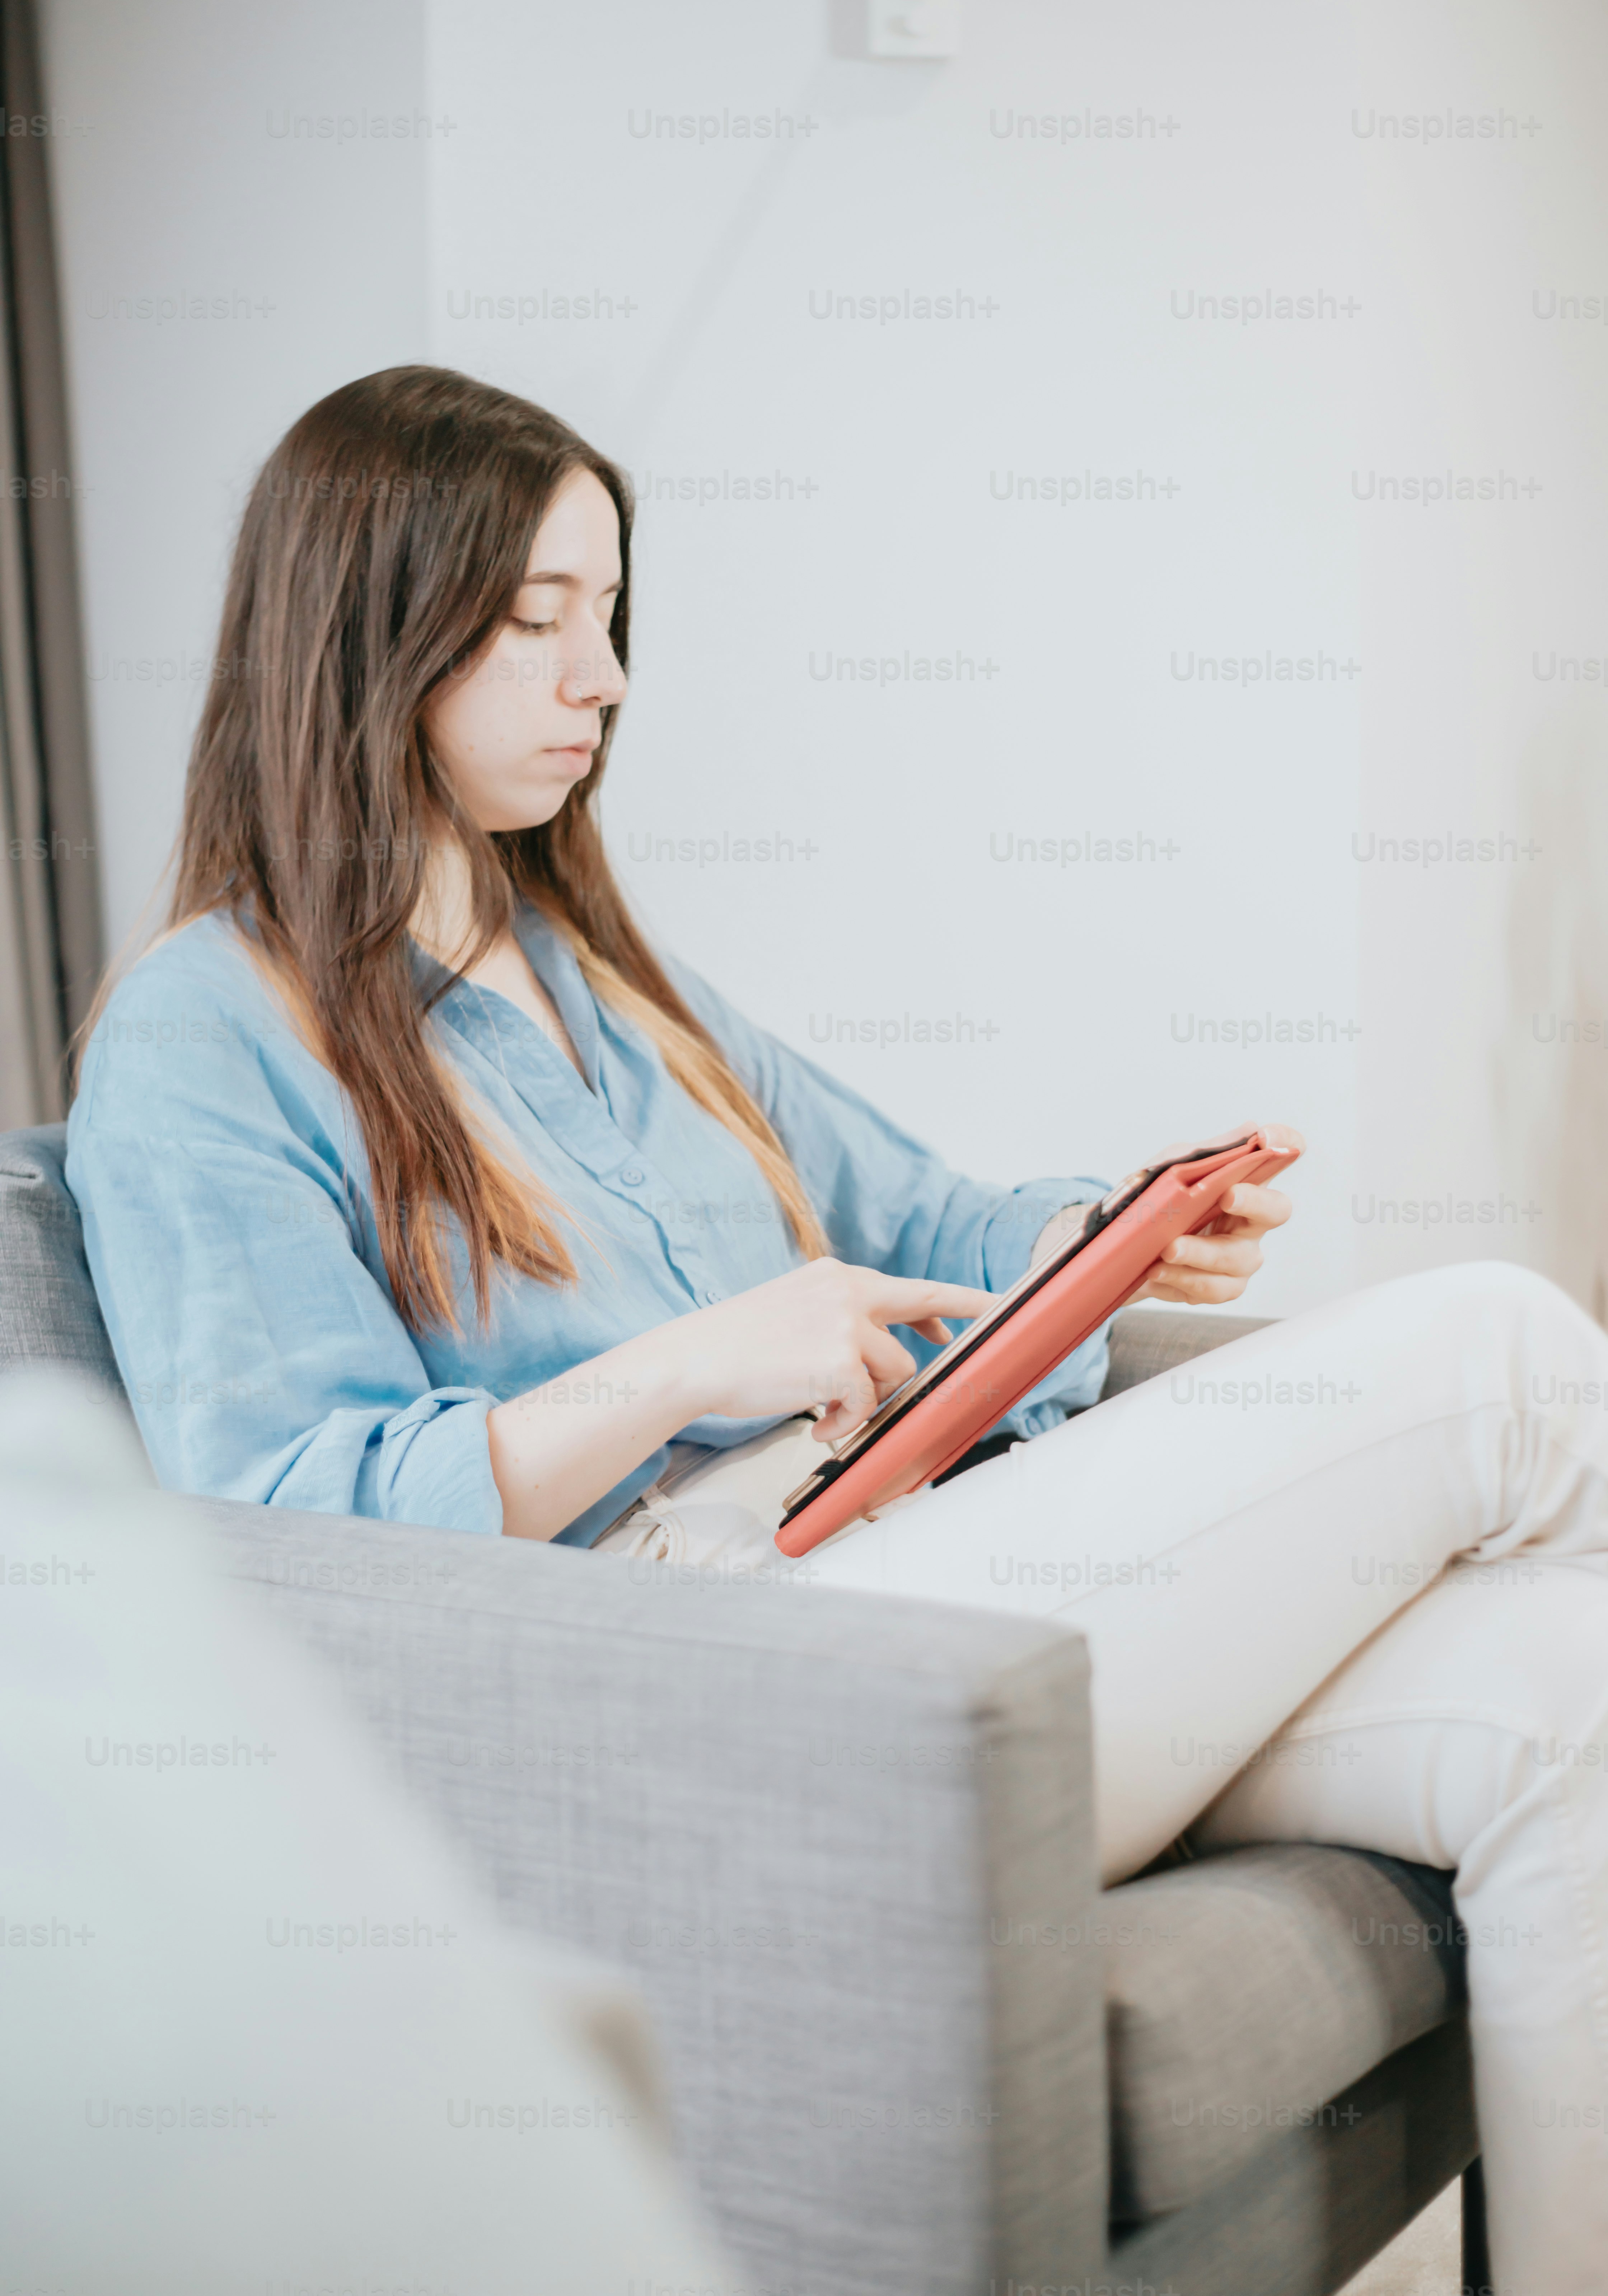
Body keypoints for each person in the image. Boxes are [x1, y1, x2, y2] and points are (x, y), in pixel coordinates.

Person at [68, 368, 1608, 2292]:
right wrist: (694, 1367)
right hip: (742, 1675)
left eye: (610, 616)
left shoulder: (603, 981)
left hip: (922, 1557)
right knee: (1502, 1345)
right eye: (539, 618)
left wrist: (1105, 1234)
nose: (604, 675)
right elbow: (281, 1520)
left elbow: (937, 1221)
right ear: (364, 626)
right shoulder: (204, 1032)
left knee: (1572, 1685)